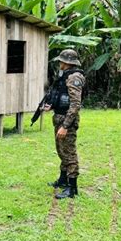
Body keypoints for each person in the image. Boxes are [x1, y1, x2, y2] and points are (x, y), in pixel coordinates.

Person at [44, 49, 85, 199]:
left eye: (61, 61)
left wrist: (65, 126)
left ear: (67, 62)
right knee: (62, 150)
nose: (60, 63)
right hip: (60, 117)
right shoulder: (66, 76)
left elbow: (75, 104)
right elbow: (64, 98)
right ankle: (63, 179)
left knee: (69, 153)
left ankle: (72, 188)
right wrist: (52, 106)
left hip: (67, 121)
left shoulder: (75, 77)